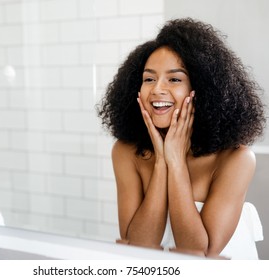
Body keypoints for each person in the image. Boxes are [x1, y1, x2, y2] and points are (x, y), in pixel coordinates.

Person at [97, 18, 266, 259]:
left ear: (203, 90)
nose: (157, 89)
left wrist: (176, 162)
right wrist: (161, 162)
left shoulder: (236, 159)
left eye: (174, 79)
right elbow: (137, 248)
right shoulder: (125, 152)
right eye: (149, 79)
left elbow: (199, 253)